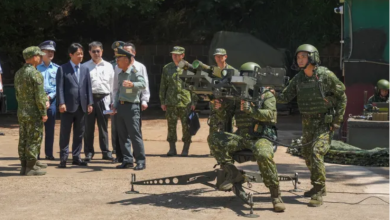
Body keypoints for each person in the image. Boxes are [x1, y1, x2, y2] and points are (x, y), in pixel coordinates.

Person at [274, 44, 347, 207]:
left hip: (324, 122)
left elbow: (342, 97)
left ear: (313, 58)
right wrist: (270, 93)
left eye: (303, 57)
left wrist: (337, 121)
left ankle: (319, 190)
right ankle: (317, 186)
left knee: (316, 152)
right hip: (307, 123)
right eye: (298, 57)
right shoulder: (299, 78)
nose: (300, 60)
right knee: (307, 154)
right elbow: (285, 97)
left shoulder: (325, 76)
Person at [208, 62, 285, 212]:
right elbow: (226, 116)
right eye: (242, 76)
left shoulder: (266, 94)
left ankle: (276, 196)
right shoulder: (237, 96)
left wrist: (252, 111)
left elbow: (271, 116)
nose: (244, 79)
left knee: (263, 154)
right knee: (215, 139)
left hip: (261, 137)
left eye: (248, 76)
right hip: (242, 137)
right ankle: (233, 173)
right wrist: (219, 108)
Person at [56, 43, 93, 168]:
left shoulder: (85, 69)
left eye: (82, 54)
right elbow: (59, 88)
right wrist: (61, 102)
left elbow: (88, 87)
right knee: (65, 133)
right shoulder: (62, 69)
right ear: (71, 55)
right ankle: (64, 157)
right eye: (78, 54)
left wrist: (90, 103)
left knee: (79, 133)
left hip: (82, 106)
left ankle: (76, 157)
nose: (81, 56)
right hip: (67, 107)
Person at [14, 46, 49, 176]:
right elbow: (39, 97)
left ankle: (24, 165)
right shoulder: (35, 73)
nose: (41, 58)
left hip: (22, 111)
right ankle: (30, 167)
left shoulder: (18, 73)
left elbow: (17, 94)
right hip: (33, 113)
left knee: (23, 137)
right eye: (39, 56)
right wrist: (43, 112)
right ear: (34, 57)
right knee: (34, 138)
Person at [111, 48, 146, 170]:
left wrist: (133, 84)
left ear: (126, 60)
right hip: (121, 106)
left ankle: (141, 160)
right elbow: (118, 91)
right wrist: (114, 105)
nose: (117, 62)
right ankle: (127, 160)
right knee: (123, 135)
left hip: (132, 107)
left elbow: (143, 84)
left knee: (135, 134)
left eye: (119, 59)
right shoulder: (120, 74)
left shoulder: (134, 72)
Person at [159, 46, 197, 157]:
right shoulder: (167, 68)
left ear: (183, 55)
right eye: (173, 54)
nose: (174, 56)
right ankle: (172, 149)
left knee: (186, 126)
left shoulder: (189, 68)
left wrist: (194, 102)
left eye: (177, 54)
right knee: (171, 126)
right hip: (171, 102)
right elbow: (163, 85)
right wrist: (162, 101)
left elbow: (194, 86)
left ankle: (185, 148)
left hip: (186, 102)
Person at [82, 41, 115, 161]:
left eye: (98, 51)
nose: (96, 53)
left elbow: (112, 85)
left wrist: (112, 102)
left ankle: (106, 152)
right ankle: (89, 152)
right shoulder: (84, 66)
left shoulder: (109, 66)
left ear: (102, 51)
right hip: (89, 101)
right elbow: (82, 86)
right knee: (88, 128)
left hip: (104, 100)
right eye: (93, 51)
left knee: (104, 127)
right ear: (89, 52)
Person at [207, 48, 238, 155]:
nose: (219, 58)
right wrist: (211, 99)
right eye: (217, 56)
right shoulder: (212, 71)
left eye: (221, 56)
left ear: (226, 57)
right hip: (215, 105)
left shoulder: (233, 71)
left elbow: (237, 89)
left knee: (227, 129)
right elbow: (208, 87)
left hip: (228, 106)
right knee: (214, 127)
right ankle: (214, 151)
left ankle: (227, 151)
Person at [37, 40, 59, 160]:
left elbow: (58, 87)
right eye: (48, 51)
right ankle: (36, 154)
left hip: (51, 100)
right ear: (41, 52)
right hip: (37, 100)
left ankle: (49, 154)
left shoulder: (57, 69)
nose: (50, 53)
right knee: (37, 128)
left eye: (52, 51)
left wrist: (49, 97)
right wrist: (41, 98)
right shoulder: (35, 68)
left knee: (50, 129)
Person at [110, 41, 125, 162]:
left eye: (119, 50)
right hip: (114, 98)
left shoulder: (128, 63)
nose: (117, 53)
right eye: (115, 51)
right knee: (115, 127)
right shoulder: (110, 65)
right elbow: (112, 84)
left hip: (126, 99)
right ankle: (116, 149)